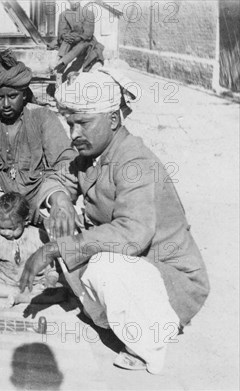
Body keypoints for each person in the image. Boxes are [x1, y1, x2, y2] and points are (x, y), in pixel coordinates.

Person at [19, 70, 210, 374]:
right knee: (54, 219)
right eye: (70, 124)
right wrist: (62, 202)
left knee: (101, 264)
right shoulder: (92, 153)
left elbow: (134, 234)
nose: (74, 133)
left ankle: (149, 341)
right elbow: (58, 178)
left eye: (83, 123)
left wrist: (53, 250)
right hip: (139, 267)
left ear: (112, 120)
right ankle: (111, 313)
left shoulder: (134, 161)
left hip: (172, 276)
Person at [0, 49, 77, 235]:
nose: (6, 104)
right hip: (0, 207)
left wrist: (48, 198)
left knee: (61, 231)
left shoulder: (43, 117)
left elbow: (66, 162)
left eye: (12, 96)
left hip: (38, 201)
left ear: (23, 94)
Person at [0, 192, 60, 307]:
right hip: (7, 283)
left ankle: (23, 297)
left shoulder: (38, 235)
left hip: (35, 283)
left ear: (25, 220)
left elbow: (50, 268)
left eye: (11, 228)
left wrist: (50, 281)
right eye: (1, 227)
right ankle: (24, 296)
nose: (6, 232)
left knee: (61, 292)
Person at [48, 0, 104, 76]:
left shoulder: (88, 13)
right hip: (70, 39)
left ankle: (62, 62)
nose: (74, 2)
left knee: (81, 45)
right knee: (66, 41)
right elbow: (62, 31)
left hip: (85, 41)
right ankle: (59, 61)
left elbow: (88, 34)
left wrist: (77, 38)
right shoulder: (64, 14)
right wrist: (64, 36)